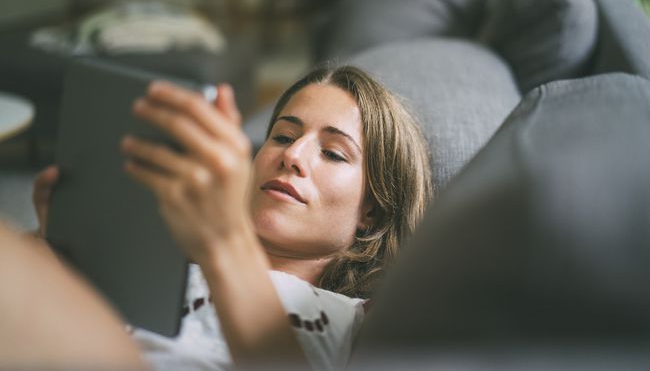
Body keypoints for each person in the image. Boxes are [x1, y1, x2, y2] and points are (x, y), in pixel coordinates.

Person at [0, 65, 432, 370]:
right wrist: (54, 242)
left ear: (371, 214)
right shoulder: (151, 267)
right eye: (283, 136)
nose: (292, 156)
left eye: (333, 153)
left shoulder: (365, 318)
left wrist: (226, 243)